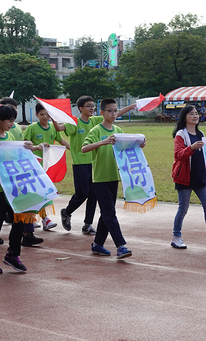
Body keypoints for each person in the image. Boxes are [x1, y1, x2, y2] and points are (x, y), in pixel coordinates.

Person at [54, 96, 134, 235]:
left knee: (93, 194)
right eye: (89, 106)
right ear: (81, 108)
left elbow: (113, 113)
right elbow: (59, 128)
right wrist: (53, 116)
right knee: (83, 193)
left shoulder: (95, 120)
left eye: (93, 106)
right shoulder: (74, 123)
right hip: (80, 163)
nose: (92, 108)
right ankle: (67, 212)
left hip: (94, 162)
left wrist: (131, 107)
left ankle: (87, 224)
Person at [0, 103, 40, 274]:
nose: (12, 124)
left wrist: (30, 150)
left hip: (13, 188)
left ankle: (13, 254)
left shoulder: (11, 137)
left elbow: (17, 158)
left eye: (13, 121)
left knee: (20, 221)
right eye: (10, 120)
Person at [81, 98, 138, 259]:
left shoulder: (118, 130)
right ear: (102, 112)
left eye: (115, 111)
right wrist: (103, 142)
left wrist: (139, 144)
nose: (114, 114)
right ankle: (121, 246)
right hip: (100, 178)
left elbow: (127, 148)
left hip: (115, 176)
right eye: (110, 111)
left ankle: (98, 244)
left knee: (107, 213)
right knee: (109, 213)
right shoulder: (96, 131)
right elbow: (84, 148)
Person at [171, 105, 206, 249]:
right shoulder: (181, 135)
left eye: (197, 114)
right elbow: (178, 155)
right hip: (185, 177)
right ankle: (176, 236)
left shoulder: (201, 133)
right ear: (185, 117)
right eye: (192, 114)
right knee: (183, 209)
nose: (195, 116)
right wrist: (191, 148)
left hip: (200, 177)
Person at [0, 97, 43, 246]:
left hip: (18, 171)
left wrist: (34, 150)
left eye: (14, 107)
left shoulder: (15, 128)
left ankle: (28, 233)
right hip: (4, 174)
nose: (13, 110)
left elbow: (21, 148)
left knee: (26, 200)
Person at [23, 103, 70, 231]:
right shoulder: (32, 128)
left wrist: (74, 151)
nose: (45, 117)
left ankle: (42, 218)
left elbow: (61, 141)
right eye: (42, 114)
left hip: (47, 166)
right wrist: (37, 147)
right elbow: (23, 146)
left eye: (47, 114)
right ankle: (38, 218)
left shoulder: (53, 128)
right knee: (35, 192)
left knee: (45, 192)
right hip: (33, 166)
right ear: (36, 115)